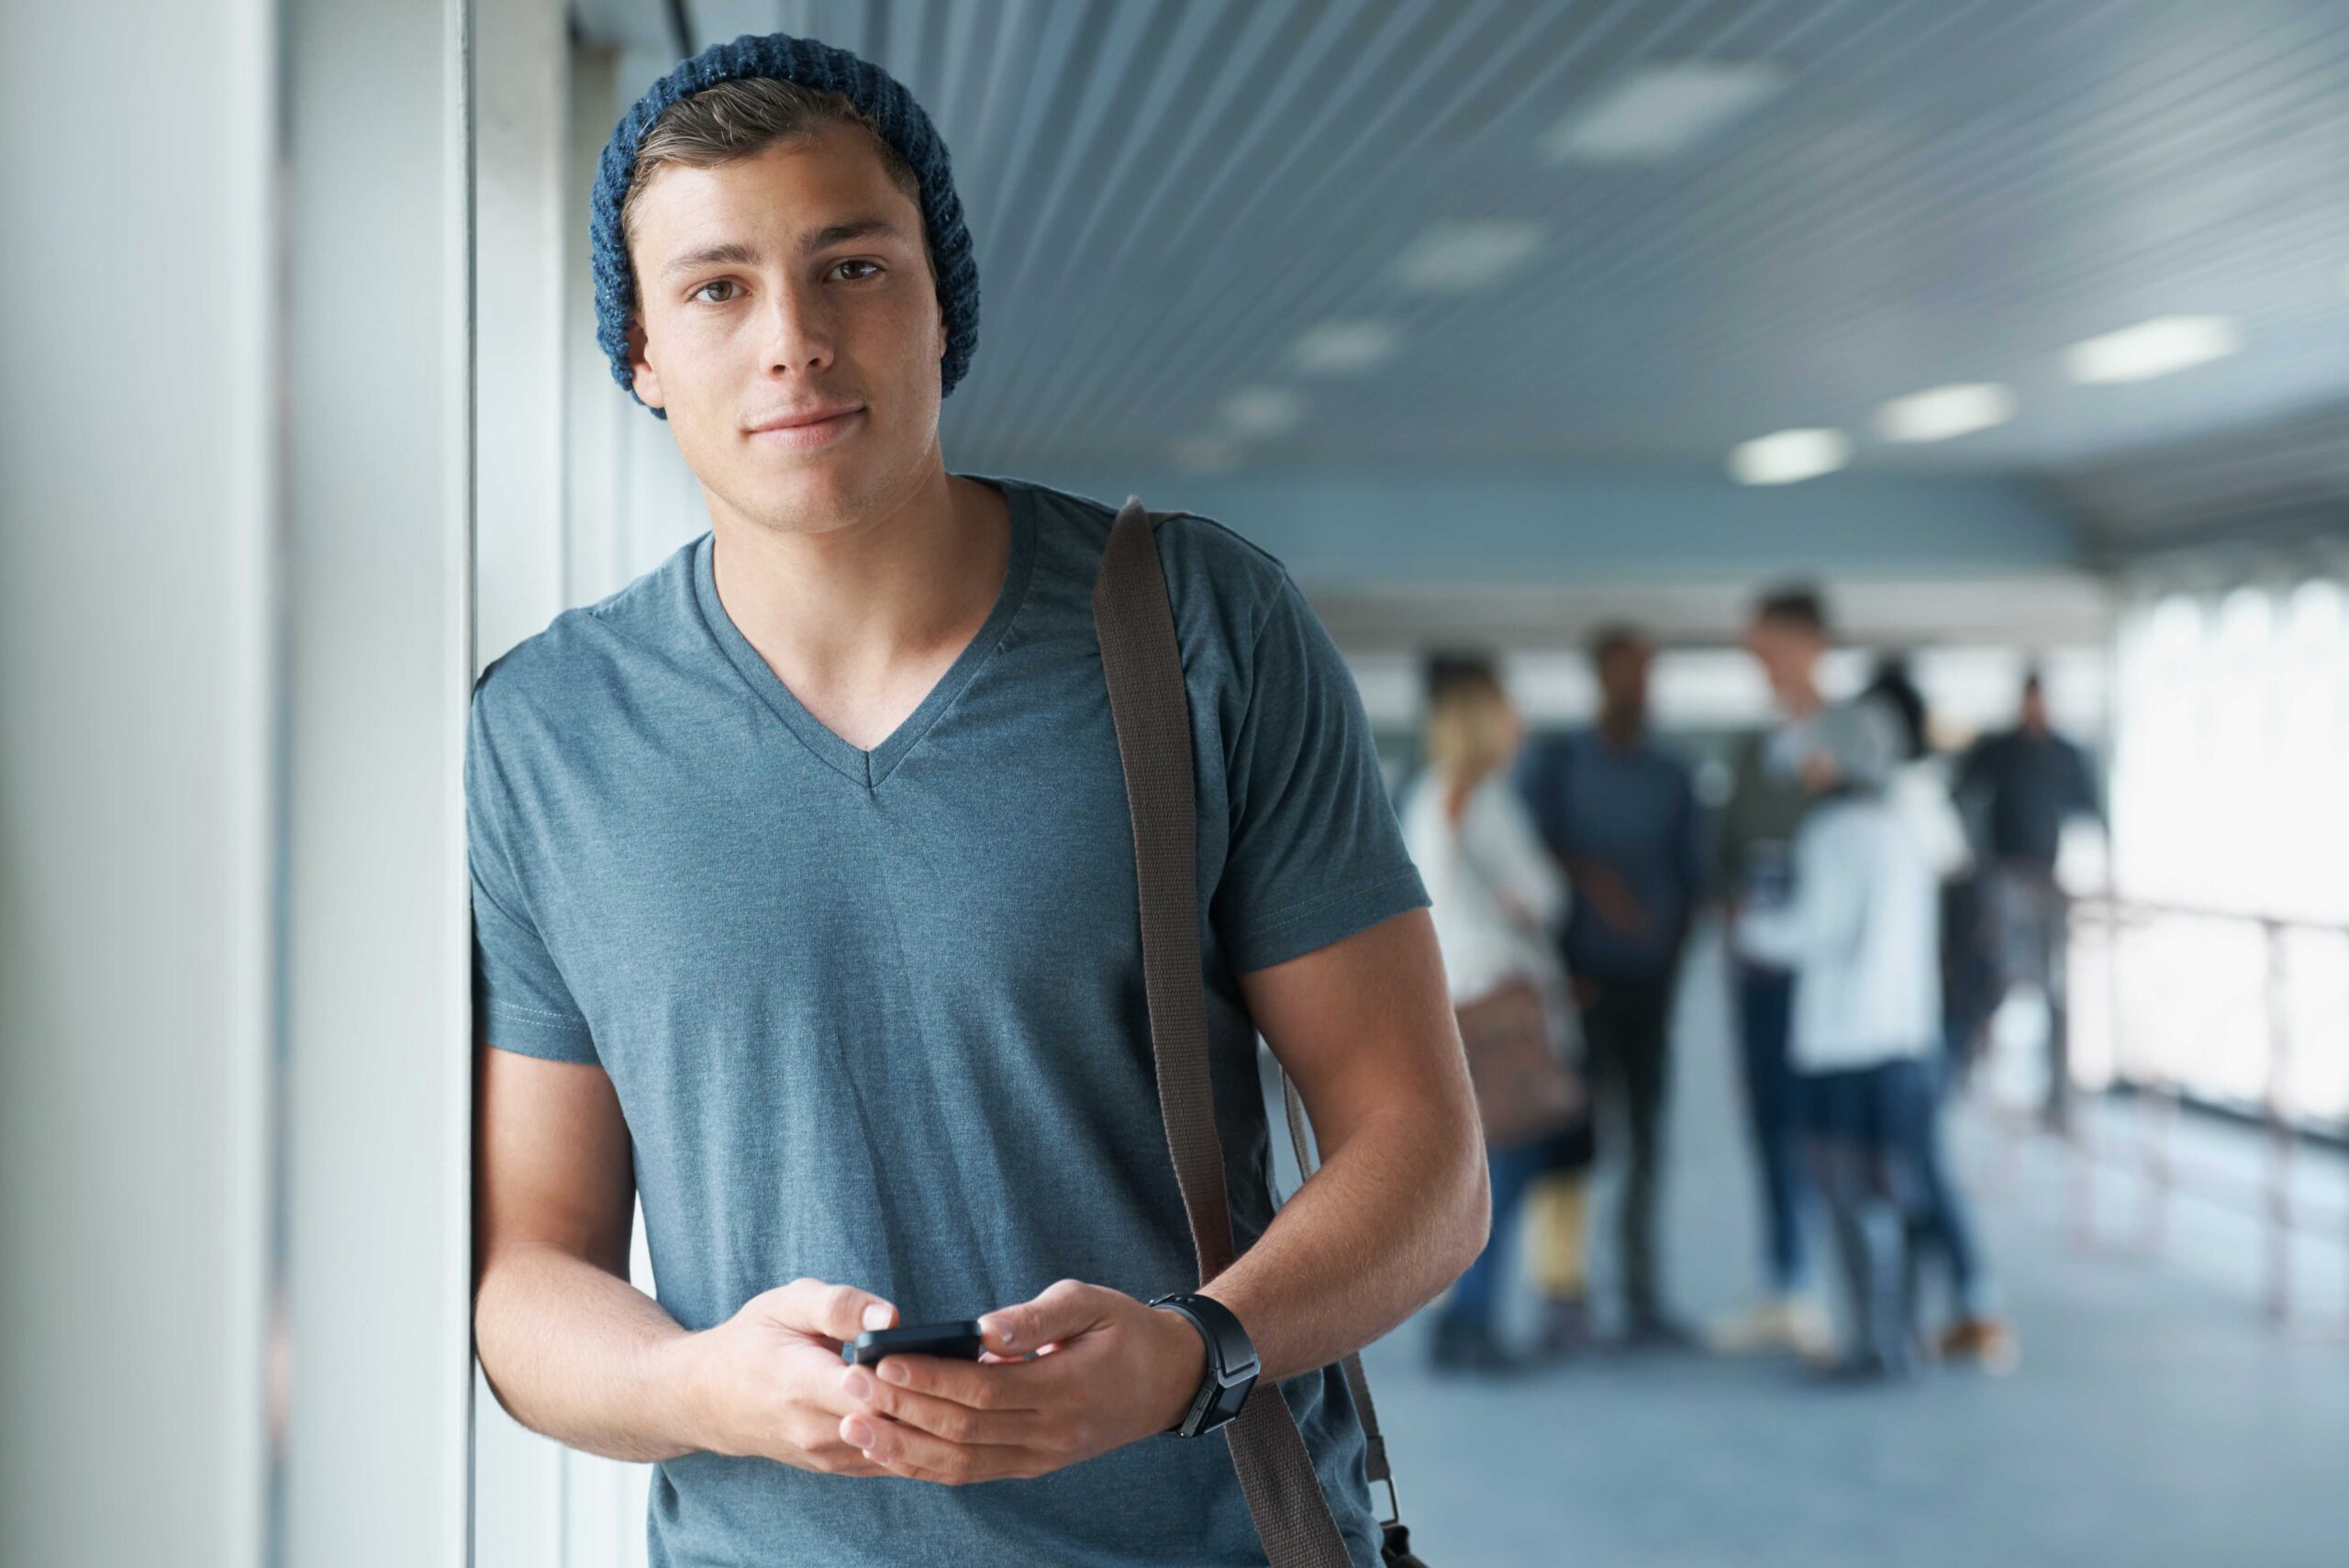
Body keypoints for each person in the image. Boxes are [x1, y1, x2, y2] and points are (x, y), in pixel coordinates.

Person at [466, 37, 1487, 1568]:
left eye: (853, 266)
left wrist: (1187, 1350)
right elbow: (530, 1270)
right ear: (640, 357)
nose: (794, 341)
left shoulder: (1197, 629)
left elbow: (1427, 1157)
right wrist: (701, 1384)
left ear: (946, 304)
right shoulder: (549, 730)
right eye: (716, 287)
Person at [1709, 588, 1898, 1360]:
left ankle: (1845, 1295)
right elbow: (1727, 844)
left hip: (1827, 969)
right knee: (1768, 1119)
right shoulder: (1754, 750)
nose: (1758, 661)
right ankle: (1786, 1281)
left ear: (1810, 641)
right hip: (1759, 960)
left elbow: (1873, 839)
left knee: (1830, 1132)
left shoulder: (1857, 734)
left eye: (1766, 645)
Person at [1733, 717, 1945, 1379]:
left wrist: (1752, 928)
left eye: (1816, 756)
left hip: (1842, 1043)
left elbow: (1816, 930)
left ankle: (1869, 1343)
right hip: (1904, 1038)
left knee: (1849, 1191)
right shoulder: (1902, 830)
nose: (1806, 769)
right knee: (1897, 1187)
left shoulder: (1831, 833)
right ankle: (1902, 1334)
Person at [1401, 655, 1594, 1371]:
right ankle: (1476, 1323)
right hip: (1504, 1011)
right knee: (1508, 1168)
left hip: (1450, 1003)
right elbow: (1546, 898)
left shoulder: (1427, 796)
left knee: (1473, 1168)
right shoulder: (1487, 800)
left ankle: (1461, 1319)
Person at [1515, 625, 1701, 1348]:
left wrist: (1672, 967)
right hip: (1577, 988)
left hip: (1649, 988)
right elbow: (1528, 860)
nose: (1640, 686)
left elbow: (1693, 884)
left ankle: (1644, 1296)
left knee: (1648, 1145)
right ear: (1599, 677)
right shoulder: (1559, 764)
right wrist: (1595, 885)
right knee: (1568, 1143)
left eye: (1649, 672)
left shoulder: (1673, 773)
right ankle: (1562, 1296)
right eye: (1627, 672)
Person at [1864, 657, 2020, 1372]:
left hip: (1919, 1018)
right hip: (1925, 1012)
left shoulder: (1902, 800)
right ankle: (1948, 1309)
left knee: (1919, 1156)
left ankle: (1976, 1305)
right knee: (1910, 1159)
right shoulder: (1921, 793)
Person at [1954, 670, 2104, 1131]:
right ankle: (1975, 1075)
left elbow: (2092, 811)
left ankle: (2057, 1099)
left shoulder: (2065, 753)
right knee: (1996, 978)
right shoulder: (1999, 750)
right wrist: (1978, 854)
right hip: (2005, 877)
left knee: (2055, 988)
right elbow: (1960, 793)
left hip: (2049, 881)